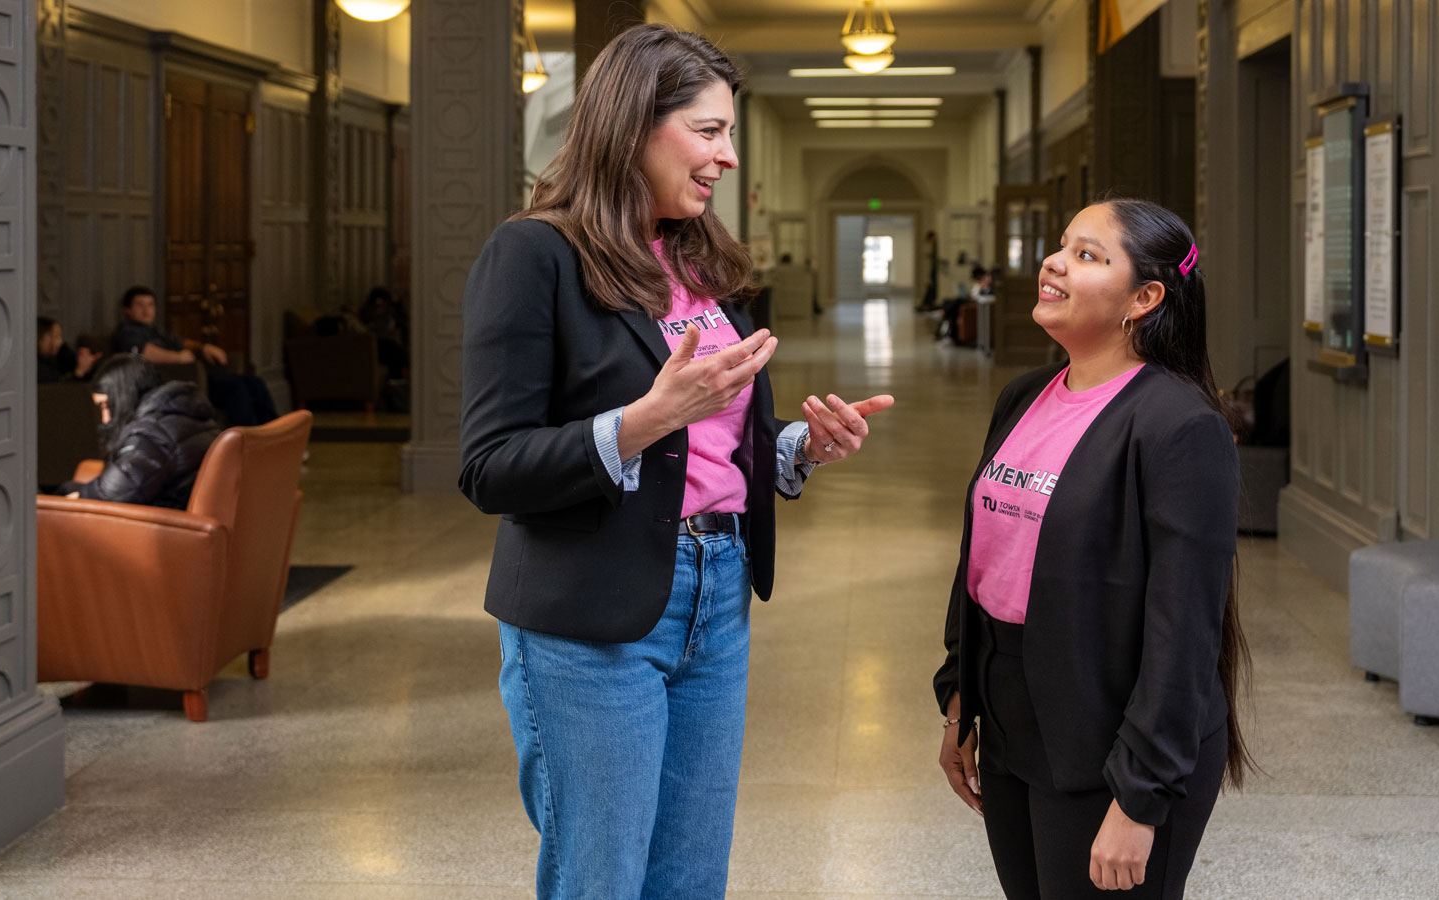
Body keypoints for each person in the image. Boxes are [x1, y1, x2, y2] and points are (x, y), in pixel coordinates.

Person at [458, 25, 894, 900]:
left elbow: (708, 438)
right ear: (633, 127)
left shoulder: (701, 257)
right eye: (708, 131)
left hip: (716, 591)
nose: (727, 156)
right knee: (603, 878)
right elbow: (490, 465)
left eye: (729, 133)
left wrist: (797, 446)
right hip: (590, 611)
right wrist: (644, 419)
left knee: (692, 876)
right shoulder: (534, 253)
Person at [933, 199, 1254, 898]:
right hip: (1014, 721)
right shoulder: (1023, 396)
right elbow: (982, 566)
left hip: (1112, 739)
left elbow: (1184, 630)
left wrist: (1140, 796)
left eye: (1087, 255)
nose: (1053, 263)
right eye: (1061, 246)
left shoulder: (1179, 426)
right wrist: (962, 702)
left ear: (1144, 299)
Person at [60, 354, 220, 510]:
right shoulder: (184, 415)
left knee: (62, 497)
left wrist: (77, 497)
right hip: (176, 513)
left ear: (123, 397)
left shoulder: (151, 433)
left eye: (106, 405)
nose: (105, 418)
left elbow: (115, 493)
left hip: (158, 524)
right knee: (68, 488)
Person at [112, 286, 279, 426]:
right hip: (176, 383)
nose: (146, 310)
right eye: (140, 305)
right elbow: (145, 352)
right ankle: (249, 441)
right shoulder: (127, 332)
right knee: (236, 388)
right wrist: (178, 357)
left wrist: (203, 347)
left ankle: (275, 434)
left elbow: (180, 341)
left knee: (255, 383)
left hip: (195, 375)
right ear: (128, 310)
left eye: (150, 305)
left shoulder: (155, 330)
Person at [36, 316, 101, 383]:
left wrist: (87, 363)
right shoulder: (38, 368)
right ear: (40, 339)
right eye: (55, 337)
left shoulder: (62, 353)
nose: (60, 342)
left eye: (59, 336)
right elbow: (57, 387)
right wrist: (79, 373)